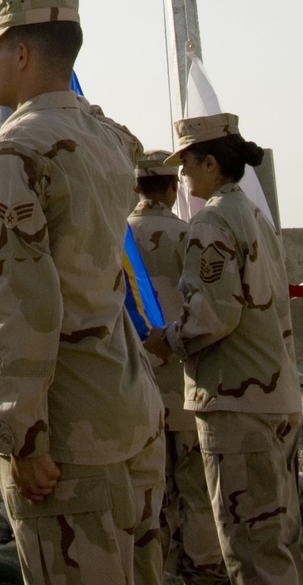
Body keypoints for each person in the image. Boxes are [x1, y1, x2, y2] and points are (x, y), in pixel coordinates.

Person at [0, 0, 165, 585]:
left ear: (23, 54)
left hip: (67, 436)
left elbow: (19, 306)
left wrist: (22, 434)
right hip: (129, 411)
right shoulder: (106, 140)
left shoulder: (13, 151)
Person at [144, 115, 303, 585]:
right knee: (279, 543)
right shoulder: (254, 215)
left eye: (188, 165)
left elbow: (212, 315)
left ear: (210, 163)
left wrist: (166, 338)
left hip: (236, 405)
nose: (183, 176)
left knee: (249, 550)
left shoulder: (212, 221)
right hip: (274, 400)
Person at [128, 150, 228, 584]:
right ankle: (203, 573)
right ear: (171, 187)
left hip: (134, 391)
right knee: (198, 494)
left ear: (137, 188)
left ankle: (161, 573)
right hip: (184, 388)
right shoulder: (189, 235)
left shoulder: (119, 238)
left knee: (150, 498)